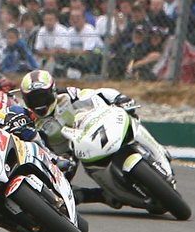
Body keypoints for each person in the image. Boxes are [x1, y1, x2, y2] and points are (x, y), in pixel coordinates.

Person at [18, 69, 140, 206]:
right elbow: (40, 146)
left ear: (52, 91)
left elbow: (97, 94)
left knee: (128, 116)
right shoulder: (31, 121)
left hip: (90, 133)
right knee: (53, 195)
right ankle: (102, 195)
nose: (38, 103)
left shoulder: (67, 96)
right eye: (32, 100)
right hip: (65, 154)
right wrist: (57, 161)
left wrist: (119, 99)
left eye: (42, 97)